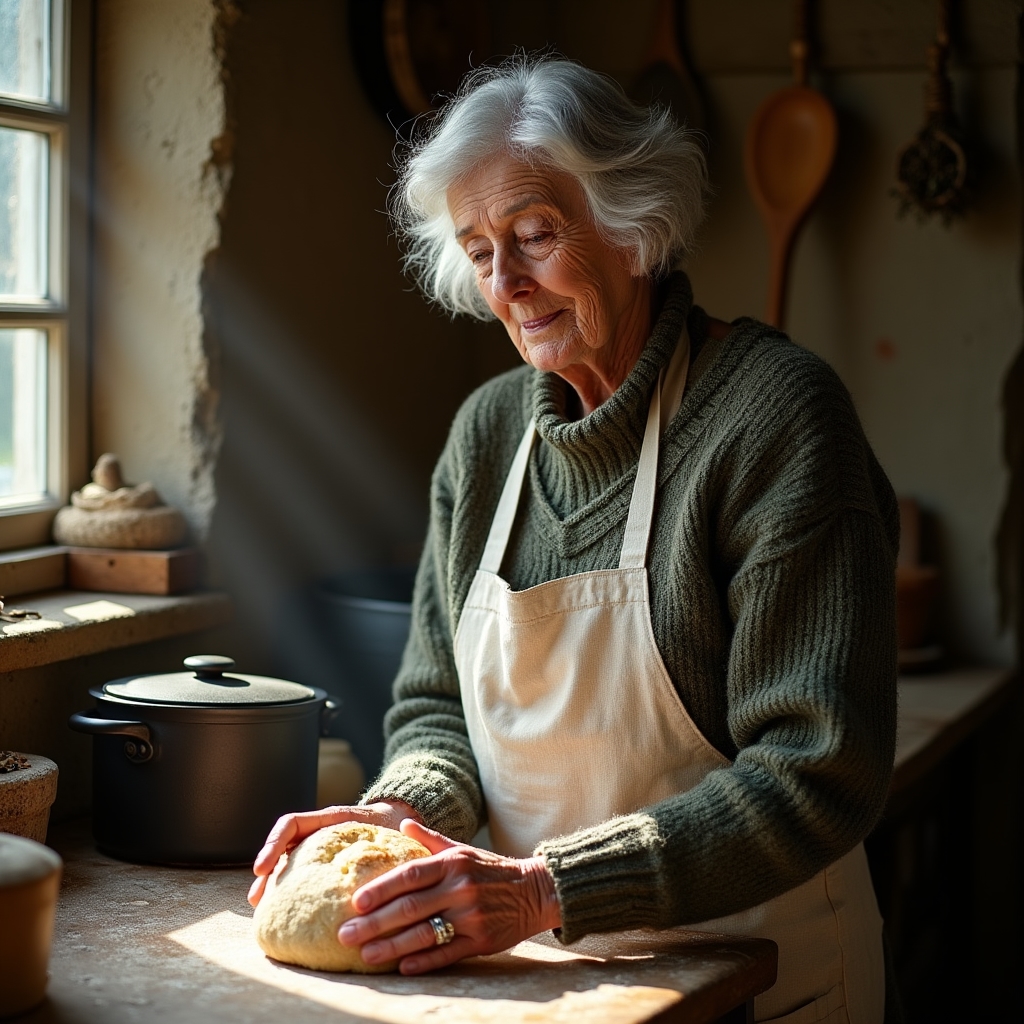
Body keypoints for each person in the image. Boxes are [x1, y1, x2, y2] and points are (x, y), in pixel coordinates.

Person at [250, 56, 897, 1024]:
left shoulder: (774, 419)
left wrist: (546, 889)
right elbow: (434, 708)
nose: (506, 284)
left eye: (535, 235)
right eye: (478, 251)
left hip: (757, 972)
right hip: (537, 977)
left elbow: (816, 768)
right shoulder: (486, 434)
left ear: (635, 225)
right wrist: (405, 813)